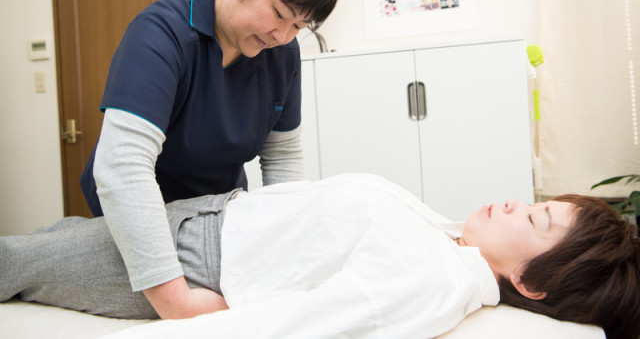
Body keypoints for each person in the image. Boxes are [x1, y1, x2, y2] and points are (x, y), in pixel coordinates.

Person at [77, 0, 342, 318]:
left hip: (217, 222)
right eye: (278, 14)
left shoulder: (281, 54)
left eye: (298, 26)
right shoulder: (160, 34)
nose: (282, 36)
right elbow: (122, 166)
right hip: (143, 221)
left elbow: (283, 157)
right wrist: (175, 301)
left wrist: (286, 245)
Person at [1, 174, 639, 339]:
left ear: (530, 284)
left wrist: (186, 313)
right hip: (204, 220)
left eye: (536, 218)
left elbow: (296, 327)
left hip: (191, 259)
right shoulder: (449, 241)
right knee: (45, 242)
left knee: (15, 263)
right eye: (535, 201)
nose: (514, 203)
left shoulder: (429, 279)